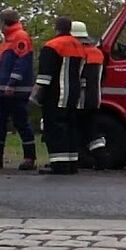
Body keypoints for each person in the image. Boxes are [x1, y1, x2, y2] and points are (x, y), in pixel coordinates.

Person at [0, 9, 37, 170]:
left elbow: (22, 62)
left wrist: (12, 83)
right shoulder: (8, 40)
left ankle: (29, 158)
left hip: (15, 91)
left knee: (21, 123)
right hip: (2, 91)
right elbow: (0, 67)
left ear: (3, 22)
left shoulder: (20, 37)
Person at [31, 16, 84, 175]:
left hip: (56, 94)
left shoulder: (52, 46)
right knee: (71, 128)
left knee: (55, 129)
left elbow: (44, 77)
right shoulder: (79, 46)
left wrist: (34, 97)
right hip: (74, 95)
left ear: (57, 28)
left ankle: (59, 165)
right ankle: (72, 163)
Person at [72, 21, 107, 170]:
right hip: (95, 98)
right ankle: (102, 158)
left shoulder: (79, 53)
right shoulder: (97, 53)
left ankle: (82, 159)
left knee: (77, 129)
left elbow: (74, 76)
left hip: (80, 99)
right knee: (92, 129)